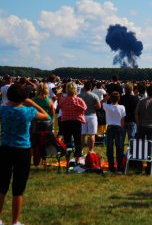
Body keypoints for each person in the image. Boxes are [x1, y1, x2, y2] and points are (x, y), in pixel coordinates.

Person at [0, 84, 49, 225]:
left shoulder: (3, 109)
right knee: (18, 188)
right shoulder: (28, 111)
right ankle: (15, 221)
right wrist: (31, 102)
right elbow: (46, 115)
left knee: (2, 186)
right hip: (22, 150)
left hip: (5, 148)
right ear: (23, 98)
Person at [57, 81, 87, 165]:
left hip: (66, 122)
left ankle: (67, 159)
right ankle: (77, 159)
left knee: (68, 142)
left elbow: (59, 107)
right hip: (76, 122)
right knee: (78, 142)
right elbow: (85, 108)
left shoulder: (63, 100)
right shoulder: (79, 100)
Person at [101, 91, 126, 174]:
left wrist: (106, 97)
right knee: (119, 148)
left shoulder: (107, 106)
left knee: (109, 148)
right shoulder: (122, 107)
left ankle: (111, 167)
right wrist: (122, 129)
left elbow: (101, 102)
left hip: (110, 128)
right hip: (118, 128)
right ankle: (119, 168)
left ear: (110, 99)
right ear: (119, 99)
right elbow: (122, 120)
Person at [78, 81, 101, 153]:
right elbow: (99, 107)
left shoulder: (79, 96)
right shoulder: (94, 96)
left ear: (84, 87)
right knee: (92, 134)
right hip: (92, 116)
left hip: (82, 116)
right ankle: (91, 150)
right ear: (91, 87)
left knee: (82, 134)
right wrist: (93, 106)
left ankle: (80, 150)